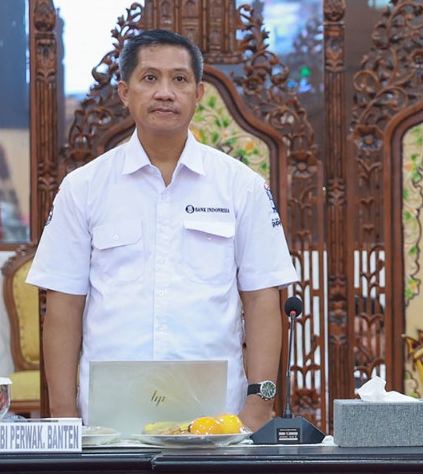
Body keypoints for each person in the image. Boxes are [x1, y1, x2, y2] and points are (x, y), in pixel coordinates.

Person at [28, 28, 297, 430]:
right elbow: (63, 305)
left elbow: (263, 300)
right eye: (149, 78)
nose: (165, 92)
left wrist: (260, 406)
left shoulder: (241, 186)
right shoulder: (83, 188)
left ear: (199, 93)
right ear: (124, 91)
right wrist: (64, 414)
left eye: (180, 79)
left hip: (216, 420)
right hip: (108, 423)